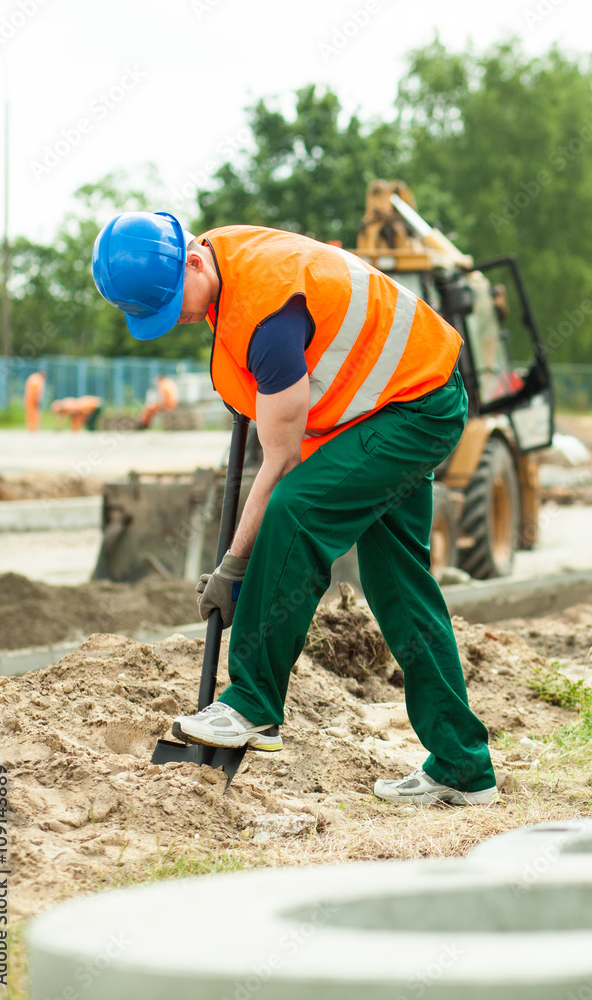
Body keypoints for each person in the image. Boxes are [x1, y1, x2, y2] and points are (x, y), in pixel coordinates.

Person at [92, 211, 497, 807]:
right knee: (400, 587)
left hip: (414, 408)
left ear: (193, 260)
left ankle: (252, 703)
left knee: (295, 514)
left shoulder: (267, 309)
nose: (176, 315)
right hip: (391, 402)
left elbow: (279, 459)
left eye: (175, 299)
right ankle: (464, 766)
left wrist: (235, 564)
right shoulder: (223, 262)